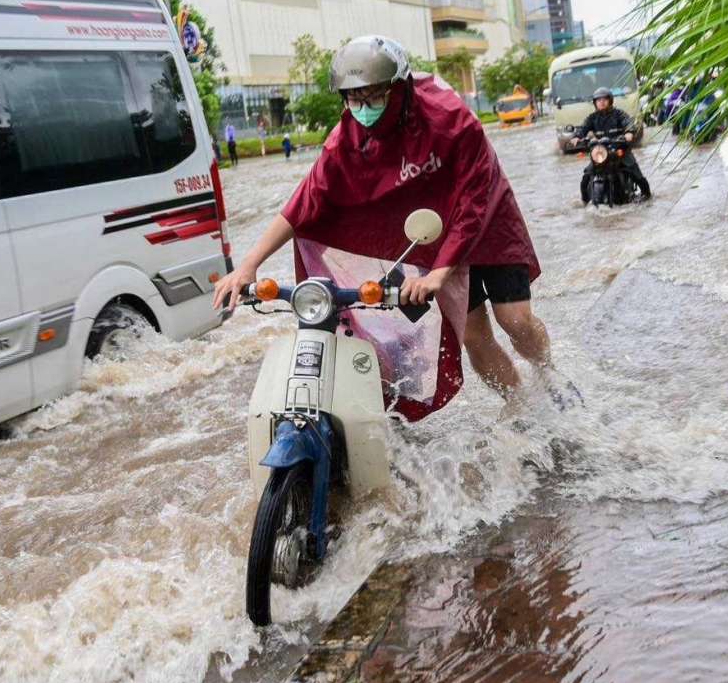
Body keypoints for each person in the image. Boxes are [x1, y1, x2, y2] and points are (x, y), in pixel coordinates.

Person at [213, 35, 558, 414]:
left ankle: (548, 372)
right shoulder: (346, 140)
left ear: (401, 88)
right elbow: (303, 204)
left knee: (516, 320)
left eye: (374, 96)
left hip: (490, 220)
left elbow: (474, 204)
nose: (363, 108)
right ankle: (521, 405)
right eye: (353, 98)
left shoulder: (451, 119)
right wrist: (248, 265)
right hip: (438, 234)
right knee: (475, 336)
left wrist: (438, 275)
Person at [571, 87, 651, 202]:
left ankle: (646, 195)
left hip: (620, 151)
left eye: (604, 99)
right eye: (598, 100)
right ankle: (585, 201)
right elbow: (583, 128)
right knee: (586, 177)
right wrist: (577, 137)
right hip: (601, 152)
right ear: (595, 103)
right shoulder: (592, 118)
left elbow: (628, 123)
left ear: (610, 101)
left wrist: (629, 133)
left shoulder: (619, 114)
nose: (601, 102)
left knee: (635, 173)